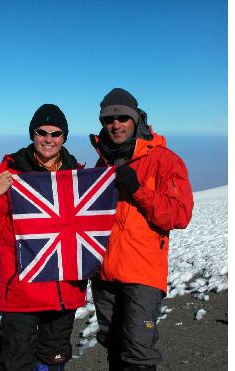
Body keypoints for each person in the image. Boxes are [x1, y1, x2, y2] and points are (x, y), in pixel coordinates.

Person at [0, 104, 88, 371]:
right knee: (17, 363)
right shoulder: (9, 171)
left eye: (56, 134)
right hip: (21, 291)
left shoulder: (76, 175)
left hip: (63, 288)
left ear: (64, 137)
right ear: (32, 134)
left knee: (54, 361)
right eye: (42, 132)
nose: (48, 139)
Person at [89, 88, 194, 370]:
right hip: (104, 271)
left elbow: (180, 215)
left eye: (123, 117)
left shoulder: (165, 160)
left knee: (138, 351)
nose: (116, 124)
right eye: (109, 119)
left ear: (137, 119)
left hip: (142, 272)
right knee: (112, 343)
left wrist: (137, 190)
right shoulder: (103, 162)